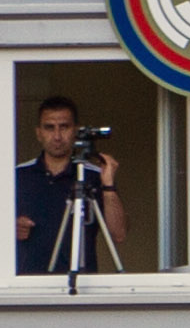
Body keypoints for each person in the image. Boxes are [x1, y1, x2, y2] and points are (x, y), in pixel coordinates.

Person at [11, 94, 122, 274]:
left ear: (75, 131)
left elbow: (119, 234)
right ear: (38, 133)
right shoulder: (18, 175)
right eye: (49, 128)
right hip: (29, 285)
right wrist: (9, 227)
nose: (57, 136)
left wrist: (108, 186)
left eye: (64, 127)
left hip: (82, 287)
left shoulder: (94, 175)